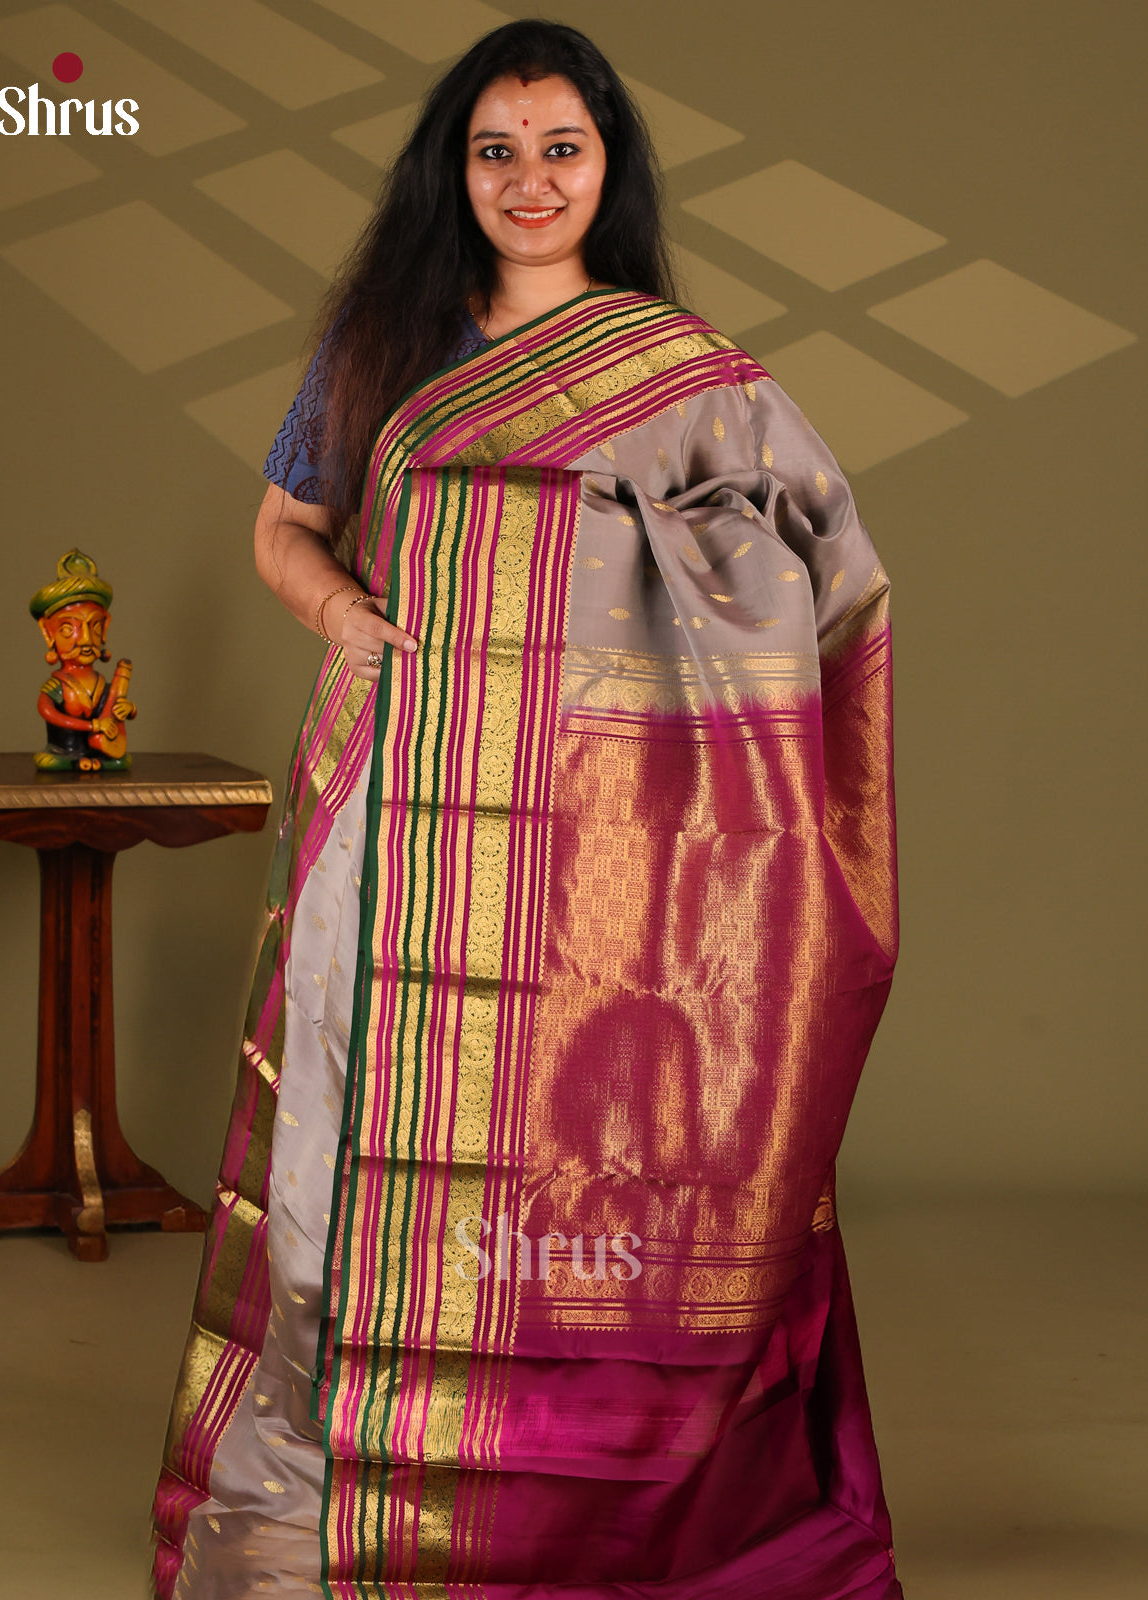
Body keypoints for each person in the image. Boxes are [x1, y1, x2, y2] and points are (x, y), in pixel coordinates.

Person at [151, 20, 901, 1599]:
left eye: (562, 148)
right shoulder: (383, 343)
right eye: (496, 151)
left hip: (591, 830)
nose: (530, 180)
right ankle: (333, 1483)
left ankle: (547, 1502)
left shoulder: (684, 376)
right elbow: (285, 526)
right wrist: (345, 616)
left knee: (569, 1135)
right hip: (395, 791)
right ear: (456, 171)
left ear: (609, 167)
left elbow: (821, 571)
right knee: (343, 1125)